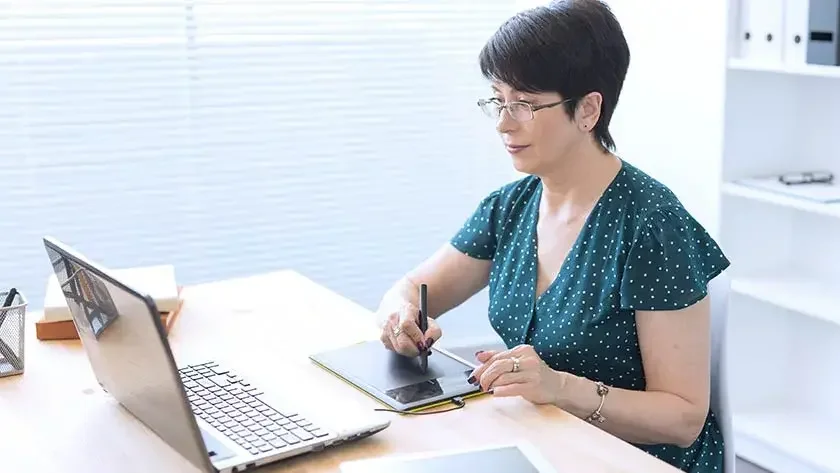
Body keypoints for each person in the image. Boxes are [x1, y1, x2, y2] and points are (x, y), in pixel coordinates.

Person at [373, 1, 729, 472]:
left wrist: (563, 388)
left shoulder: (650, 225)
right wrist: (400, 320)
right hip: (540, 443)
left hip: (636, 460)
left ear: (588, 109)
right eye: (497, 100)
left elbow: (683, 418)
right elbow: (409, 290)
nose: (503, 122)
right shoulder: (510, 207)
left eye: (523, 103)